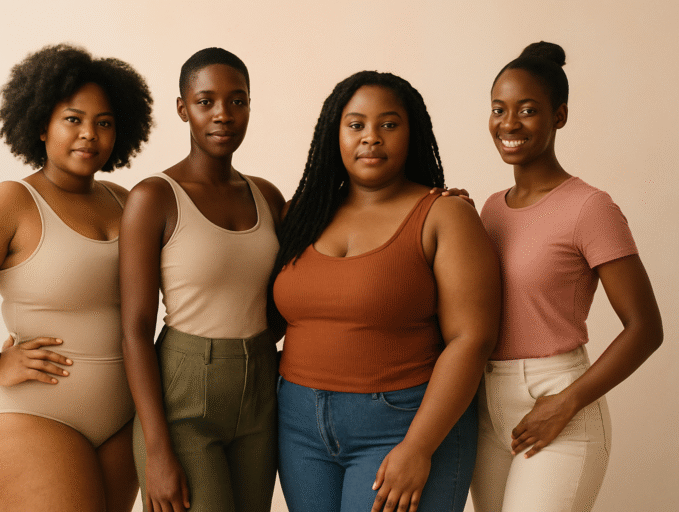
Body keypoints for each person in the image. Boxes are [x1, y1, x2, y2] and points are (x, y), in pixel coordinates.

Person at [0, 44, 153, 511]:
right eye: (73, 119)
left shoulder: (129, 201)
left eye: (104, 122)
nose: (89, 135)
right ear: (41, 124)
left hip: (123, 420)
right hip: (31, 413)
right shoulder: (13, 203)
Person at [270, 70, 501, 512]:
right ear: (333, 134)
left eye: (388, 124)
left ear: (411, 133)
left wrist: (418, 447)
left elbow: (472, 340)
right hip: (299, 426)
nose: (371, 138)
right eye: (356, 125)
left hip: (403, 423)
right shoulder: (301, 213)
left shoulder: (444, 214)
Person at [469, 42, 663, 512]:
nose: (509, 124)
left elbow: (646, 329)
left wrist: (565, 403)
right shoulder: (491, 208)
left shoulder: (589, 207)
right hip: (486, 408)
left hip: (558, 399)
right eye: (499, 109)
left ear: (560, 116)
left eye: (528, 110)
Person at [119, 47, 286, 512]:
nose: (223, 115)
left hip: (260, 386)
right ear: (182, 108)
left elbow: (324, 250)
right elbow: (134, 331)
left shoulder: (267, 196)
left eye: (238, 101)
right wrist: (157, 449)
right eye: (206, 101)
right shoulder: (153, 198)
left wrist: (428, 194)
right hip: (183, 395)